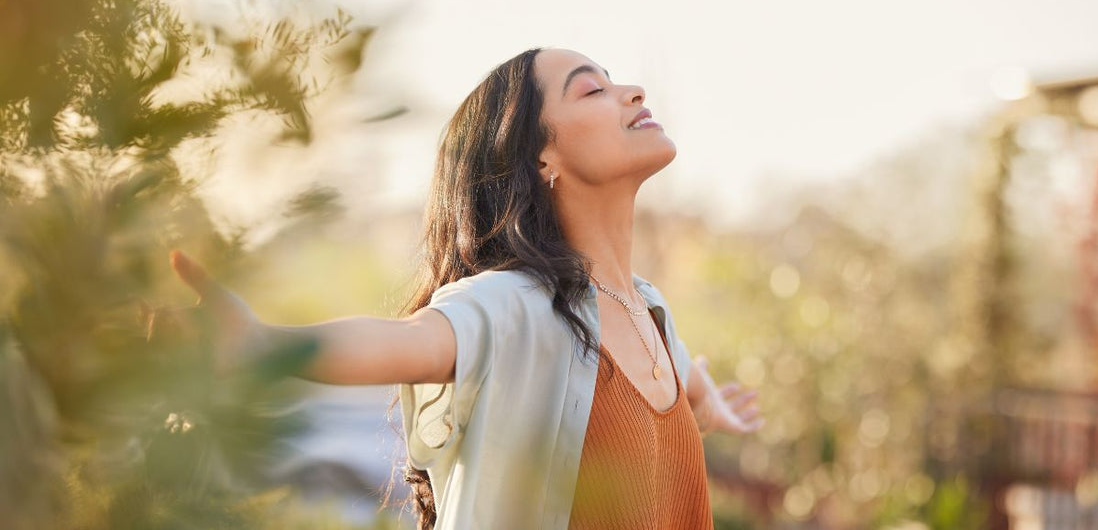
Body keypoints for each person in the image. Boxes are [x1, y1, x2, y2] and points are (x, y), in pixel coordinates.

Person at [169, 47, 763, 530]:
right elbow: (409, 341)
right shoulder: (516, 305)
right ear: (541, 159)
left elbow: (679, 378)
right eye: (592, 90)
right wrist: (262, 345)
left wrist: (704, 404)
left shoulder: (649, 310)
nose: (632, 91)